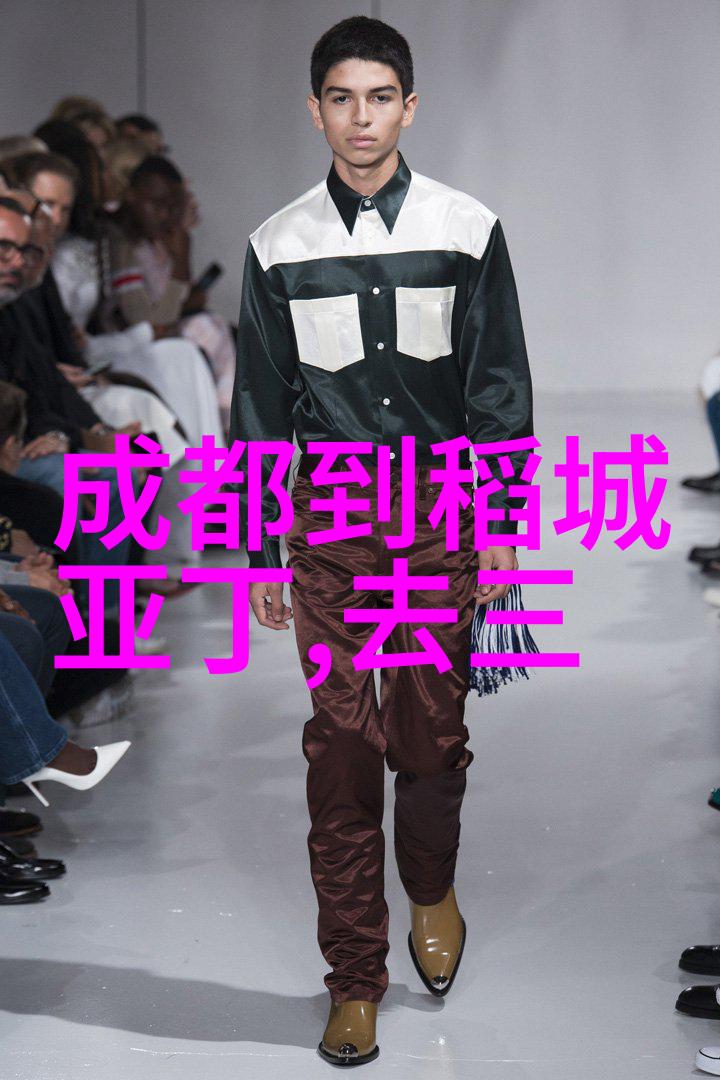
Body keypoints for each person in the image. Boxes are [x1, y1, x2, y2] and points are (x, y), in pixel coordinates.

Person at [228, 15, 533, 1066]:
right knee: (345, 747)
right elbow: (260, 405)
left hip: (441, 522)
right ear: (315, 111)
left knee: (431, 743)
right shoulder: (278, 245)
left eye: (379, 97)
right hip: (330, 531)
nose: (361, 118)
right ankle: (354, 978)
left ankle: (432, 889)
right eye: (341, 98)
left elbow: (498, 383)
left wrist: (502, 524)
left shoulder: (466, 228)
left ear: (410, 106)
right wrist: (258, 546)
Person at [108, 156, 236, 429]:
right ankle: (223, 432)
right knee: (204, 333)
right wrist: (180, 262)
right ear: (131, 195)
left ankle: (227, 429)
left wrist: (181, 260)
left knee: (216, 328)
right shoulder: (121, 243)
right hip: (127, 347)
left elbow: (179, 303)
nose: (165, 214)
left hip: (163, 338)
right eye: (156, 204)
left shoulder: (157, 239)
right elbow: (148, 321)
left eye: (172, 207)